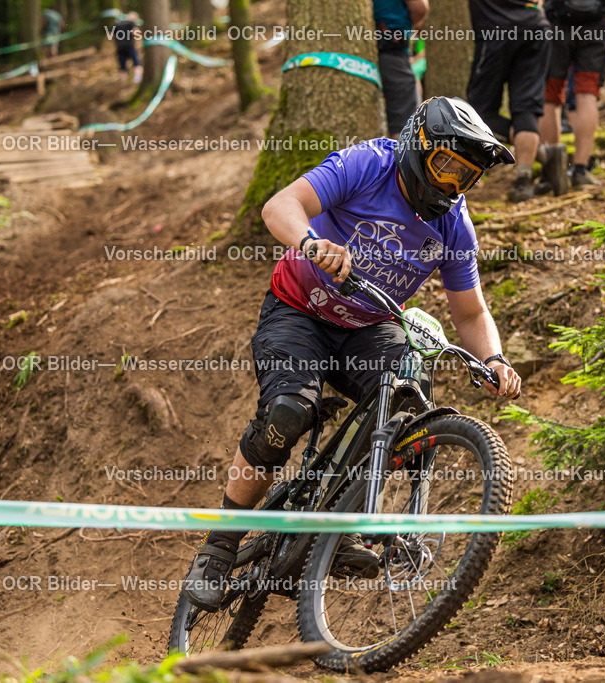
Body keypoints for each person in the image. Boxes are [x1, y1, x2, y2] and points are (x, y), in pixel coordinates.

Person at [184, 97, 524, 612]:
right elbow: (279, 206)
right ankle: (219, 545)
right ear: (418, 147)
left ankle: (341, 521)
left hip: (369, 327)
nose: (452, 185)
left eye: (466, 177)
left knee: (408, 392)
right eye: (445, 167)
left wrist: (494, 360)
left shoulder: (454, 224)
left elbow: (471, 314)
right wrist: (312, 243)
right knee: (287, 413)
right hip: (298, 311)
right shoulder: (370, 163)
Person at [466, 0, 567, 201]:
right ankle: (525, 180)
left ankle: (544, 154)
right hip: (535, 27)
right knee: (526, 108)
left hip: (496, 31)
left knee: (476, 115)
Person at [539, 0, 605, 190]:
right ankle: (580, 171)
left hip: (557, 22)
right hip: (596, 25)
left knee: (551, 96)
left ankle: (550, 175)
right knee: (587, 94)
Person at [373, 0, 429, 138]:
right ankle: (402, 158)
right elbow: (420, 7)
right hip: (392, 45)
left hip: (373, 45)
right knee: (405, 126)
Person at [113, 11, 143, 84]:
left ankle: (124, 85)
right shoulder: (131, 23)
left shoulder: (117, 24)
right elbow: (135, 32)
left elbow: (110, 36)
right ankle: (137, 80)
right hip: (130, 47)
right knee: (137, 63)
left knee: (122, 67)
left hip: (120, 48)